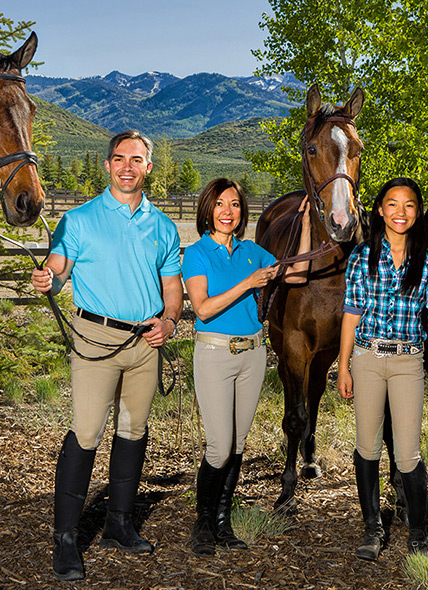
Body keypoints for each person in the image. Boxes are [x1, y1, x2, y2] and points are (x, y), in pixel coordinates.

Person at [31, 130, 183, 582]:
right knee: (86, 431)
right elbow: (58, 269)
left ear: (148, 167)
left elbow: (172, 289)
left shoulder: (164, 227)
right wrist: (48, 280)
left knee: (134, 431)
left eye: (136, 159)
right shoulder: (78, 220)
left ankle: (119, 524)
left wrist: (170, 321)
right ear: (107, 165)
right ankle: (65, 538)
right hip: (95, 340)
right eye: (119, 159)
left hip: (145, 343)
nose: (127, 167)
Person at [336, 177, 428, 559]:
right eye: (392, 204)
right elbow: (351, 314)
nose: (400, 212)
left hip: (407, 362)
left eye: (408, 205)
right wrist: (344, 366)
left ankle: (417, 533)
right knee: (367, 447)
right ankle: (372, 529)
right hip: (368, 358)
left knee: (408, 453)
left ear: (418, 212)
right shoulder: (360, 257)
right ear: (380, 209)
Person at [182, 179, 311, 556]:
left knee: (237, 444)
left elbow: (298, 275)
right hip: (215, 354)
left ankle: (222, 523)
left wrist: (304, 226)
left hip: (253, 356)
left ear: (242, 213)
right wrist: (248, 283)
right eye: (220, 204)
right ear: (208, 209)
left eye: (235, 205)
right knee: (220, 446)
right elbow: (203, 309)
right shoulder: (198, 253)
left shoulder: (254, 251)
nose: (227, 211)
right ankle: (202, 523)